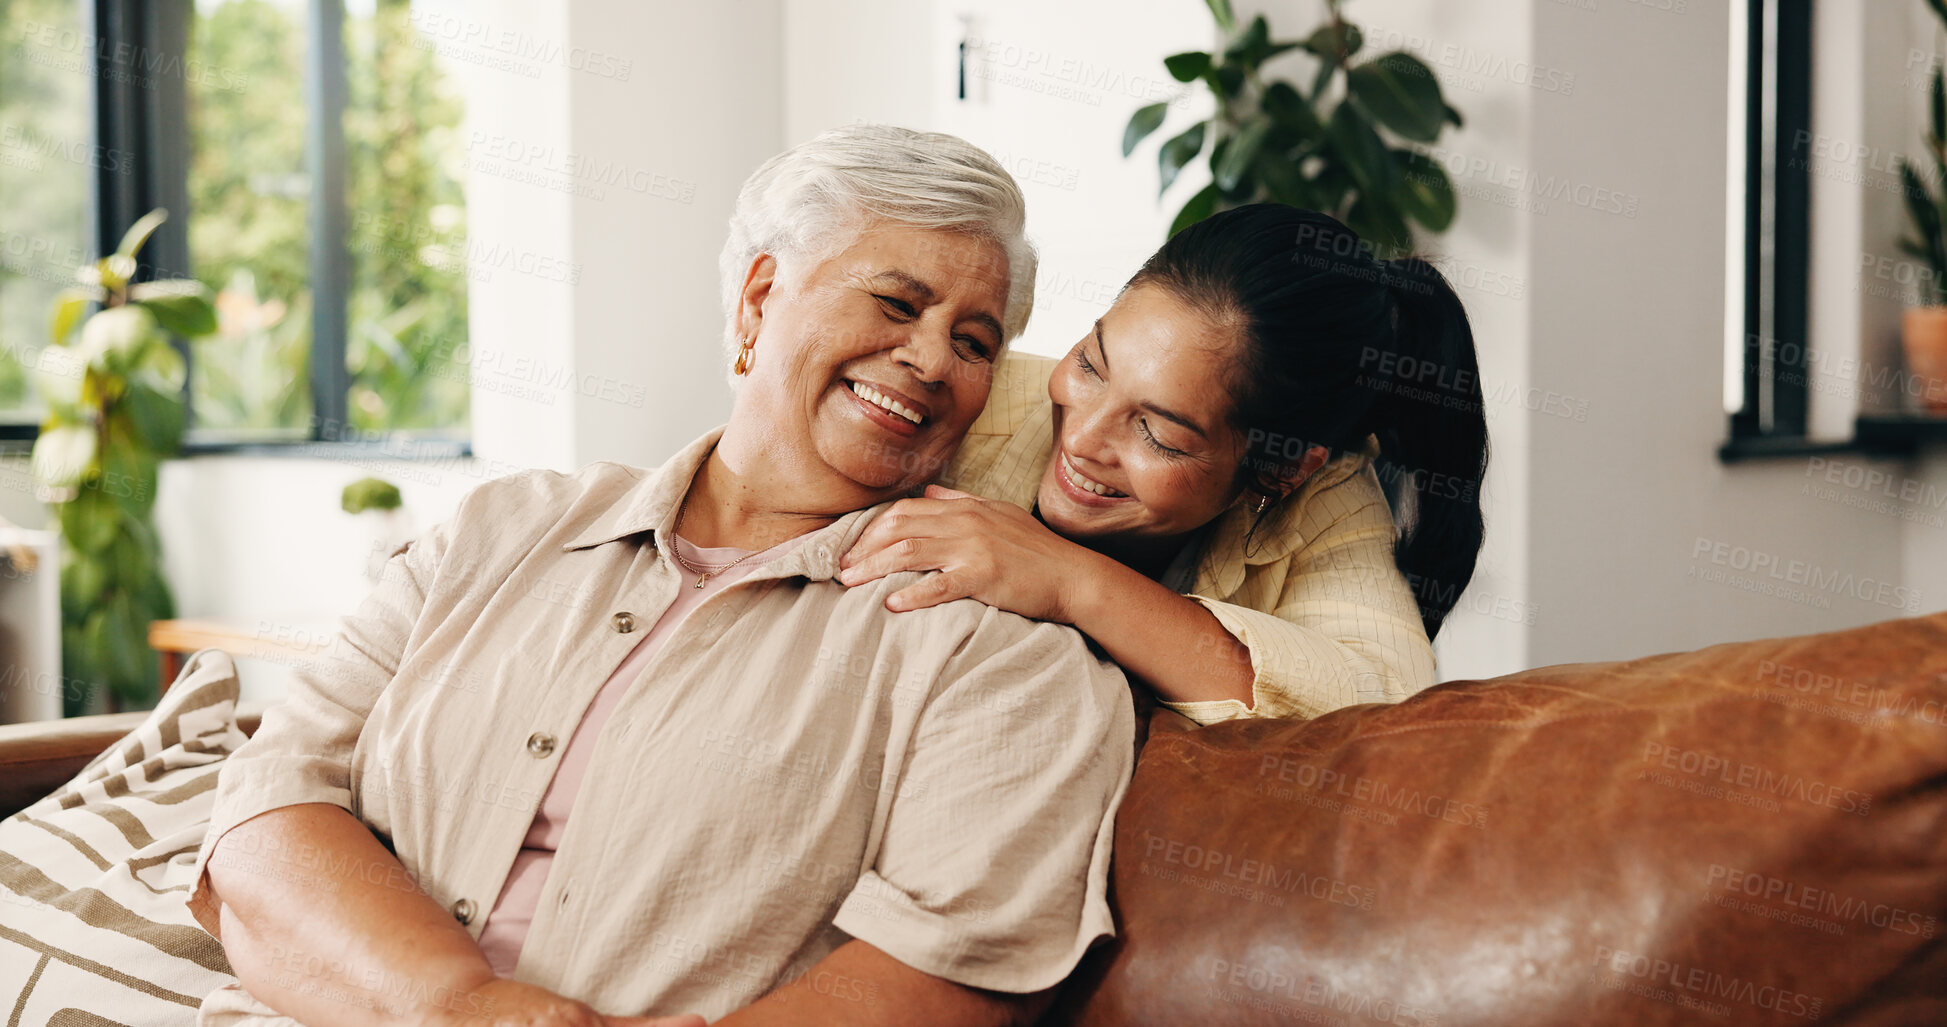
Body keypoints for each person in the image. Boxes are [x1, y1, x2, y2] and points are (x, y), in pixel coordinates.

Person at [188, 124, 1135, 1026]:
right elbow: (270, 801)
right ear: (759, 299)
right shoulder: (495, 529)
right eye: (896, 303)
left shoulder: (1001, 655)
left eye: (974, 342)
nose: (931, 358)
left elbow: (955, 977)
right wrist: (456, 1004)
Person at [840, 204, 1490, 725]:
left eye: (1156, 432)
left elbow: (1385, 707)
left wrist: (1072, 583)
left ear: (1282, 468)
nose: (1084, 438)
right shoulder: (976, 399)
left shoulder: (1321, 497)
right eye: (1091, 364)